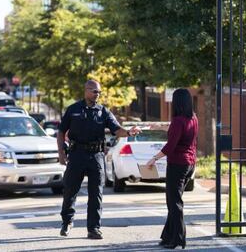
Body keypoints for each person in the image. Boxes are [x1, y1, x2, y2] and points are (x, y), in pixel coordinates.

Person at [57, 80, 141, 240]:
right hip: (76, 154)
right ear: (86, 91)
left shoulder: (103, 112)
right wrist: (61, 153)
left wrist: (129, 133)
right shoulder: (73, 109)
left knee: (96, 193)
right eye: (95, 91)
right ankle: (67, 221)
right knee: (70, 190)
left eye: (99, 92)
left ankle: (93, 228)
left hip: (96, 156)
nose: (97, 94)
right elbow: (61, 131)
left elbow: (117, 130)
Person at [146, 88, 198, 249]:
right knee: (174, 201)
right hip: (190, 164)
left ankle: (178, 238)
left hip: (177, 164)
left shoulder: (178, 120)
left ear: (177, 103)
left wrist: (153, 159)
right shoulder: (193, 118)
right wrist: (159, 127)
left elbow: (170, 146)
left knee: (174, 203)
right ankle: (168, 236)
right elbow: (177, 130)